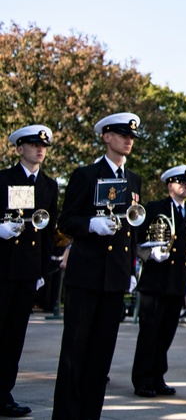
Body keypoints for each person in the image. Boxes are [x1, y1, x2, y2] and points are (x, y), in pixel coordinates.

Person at [53, 113, 143, 420]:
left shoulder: (134, 180)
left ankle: (90, 413)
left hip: (115, 278)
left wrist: (131, 270)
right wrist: (92, 224)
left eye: (131, 136)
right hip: (86, 276)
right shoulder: (86, 175)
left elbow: (131, 230)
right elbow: (65, 220)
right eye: (121, 134)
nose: (128, 140)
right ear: (106, 137)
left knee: (101, 356)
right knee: (74, 352)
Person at [0, 125, 59, 418]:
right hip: (2, 268)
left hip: (26, 272)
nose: (40, 149)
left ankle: (4, 393)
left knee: (14, 337)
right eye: (33, 144)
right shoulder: (4, 179)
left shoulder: (48, 185)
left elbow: (48, 234)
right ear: (19, 148)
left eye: (43, 145)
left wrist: (42, 270)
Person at [131, 164, 186, 397]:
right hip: (155, 282)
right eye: (181, 182)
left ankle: (158, 377)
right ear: (170, 185)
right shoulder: (155, 207)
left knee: (166, 333)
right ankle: (142, 380)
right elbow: (135, 240)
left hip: (176, 283)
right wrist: (150, 252)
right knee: (149, 334)